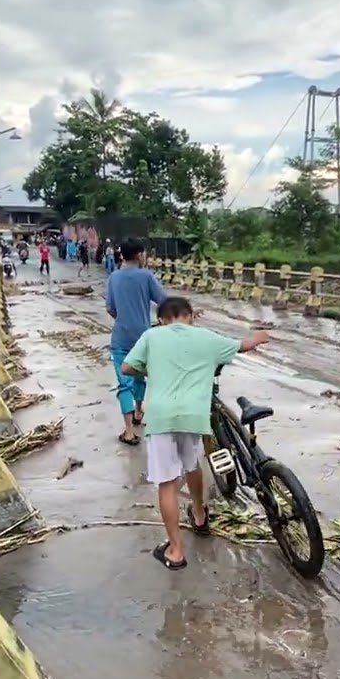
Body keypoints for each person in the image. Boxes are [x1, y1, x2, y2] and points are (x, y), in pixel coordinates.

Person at [120, 296, 271, 569]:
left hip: (162, 419)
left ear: (162, 319)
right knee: (192, 465)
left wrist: (148, 369)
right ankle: (200, 517)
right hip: (194, 417)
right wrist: (259, 336)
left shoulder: (152, 336)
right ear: (190, 315)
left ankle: (176, 551)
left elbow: (127, 367)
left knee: (166, 484)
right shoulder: (205, 336)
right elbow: (243, 346)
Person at [106, 238, 167, 445]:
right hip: (143, 337)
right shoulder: (146, 276)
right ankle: (139, 412)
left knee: (124, 384)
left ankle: (129, 431)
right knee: (140, 375)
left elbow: (110, 308)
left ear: (122, 255)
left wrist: (123, 318)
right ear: (140, 254)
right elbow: (164, 301)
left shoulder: (114, 277)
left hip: (121, 337)